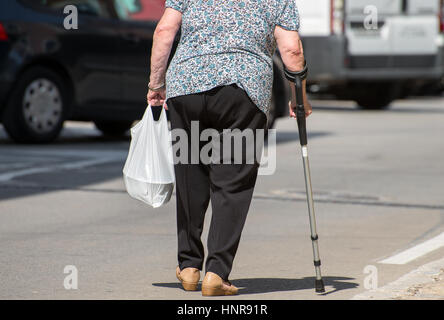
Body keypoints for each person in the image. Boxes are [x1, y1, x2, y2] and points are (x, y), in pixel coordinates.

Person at [147, 0, 312, 296]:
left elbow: (164, 30)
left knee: (190, 172)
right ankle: (216, 274)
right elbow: (292, 51)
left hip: (187, 87)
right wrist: (299, 98)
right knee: (232, 181)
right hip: (242, 91)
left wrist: (156, 84)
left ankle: (188, 267)